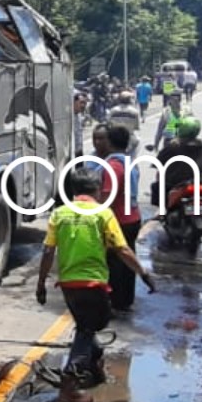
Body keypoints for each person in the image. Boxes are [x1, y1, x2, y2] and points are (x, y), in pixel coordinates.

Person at [90, 125, 146, 310]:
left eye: (103, 139)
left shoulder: (113, 166)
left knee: (114, 263)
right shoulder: (129, 162)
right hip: (133, 217)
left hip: (120, 220)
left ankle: (114, 301)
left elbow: (108, 198)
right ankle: (125, 300)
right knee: (127, 259)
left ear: (110, 142)